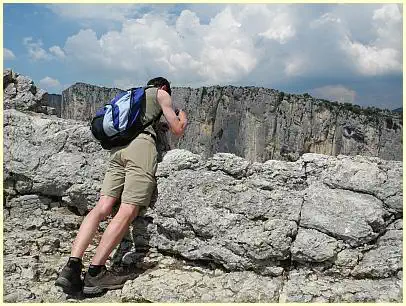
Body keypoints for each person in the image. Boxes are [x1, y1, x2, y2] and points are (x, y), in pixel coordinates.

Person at [55, 77, 188, 295]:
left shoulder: (133, 95)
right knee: (128, 208)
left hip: (117, 150)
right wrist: (181, 115)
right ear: (163, 87)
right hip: (140, 148)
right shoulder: (161, 94)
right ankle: (95, 273)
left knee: (102, 207)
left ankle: (72, 266)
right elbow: (177, 129)